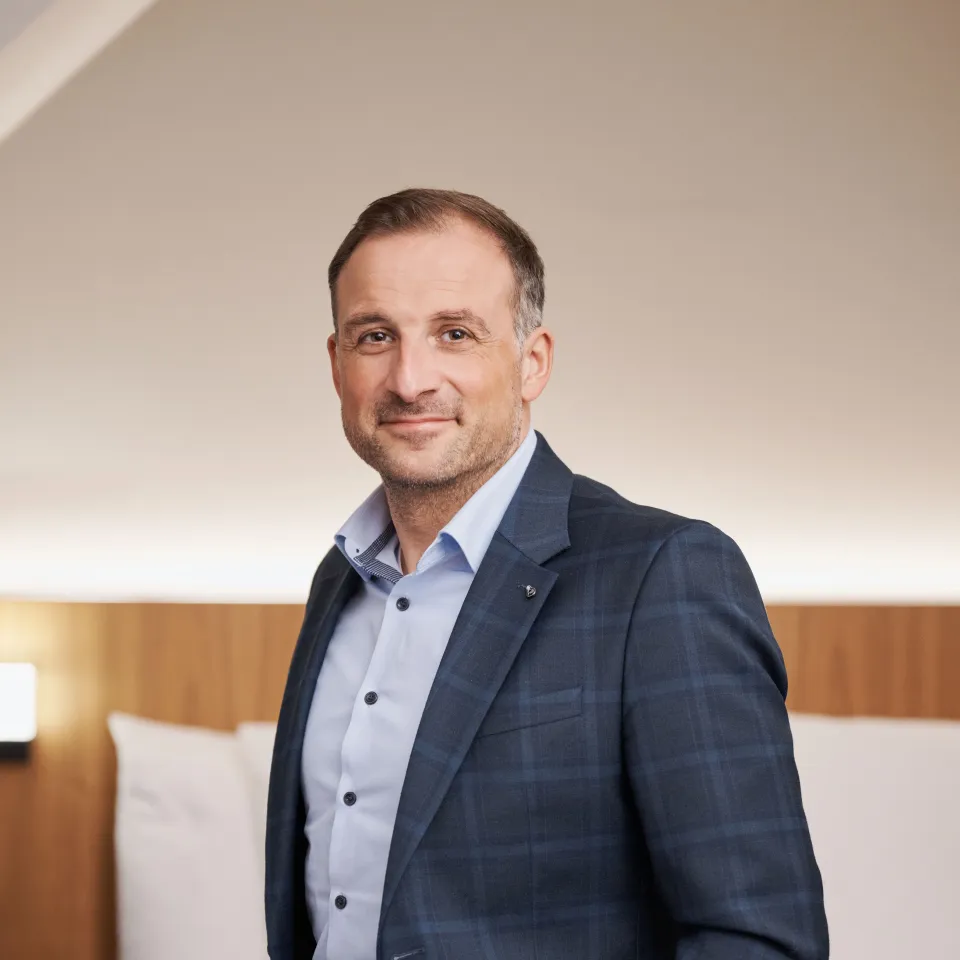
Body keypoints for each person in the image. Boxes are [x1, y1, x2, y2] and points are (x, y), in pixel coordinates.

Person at [265, 188, 828, 960]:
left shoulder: (661, 575)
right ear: (336, 366)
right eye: (374, 337)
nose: (409, 379)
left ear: (532, 363)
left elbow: (758, 938)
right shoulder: (338, 582)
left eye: (455, 333)